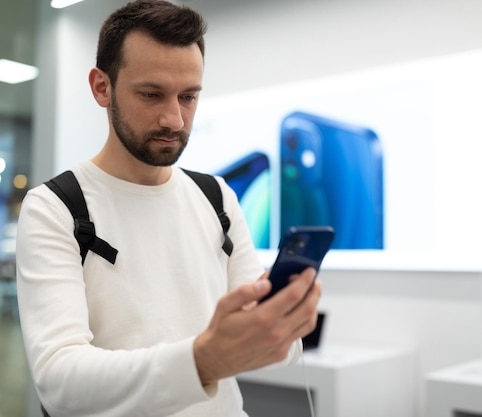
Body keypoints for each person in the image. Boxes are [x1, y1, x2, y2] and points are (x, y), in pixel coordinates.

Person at [16, 1, 321, 416]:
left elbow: (275, 353)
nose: (175, 119)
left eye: (189, 97)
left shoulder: (217, 197)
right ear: (102, 87)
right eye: (151, 94)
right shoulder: (56, 208)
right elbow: (59, 380)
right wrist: (203, 360)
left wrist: (280, 327)